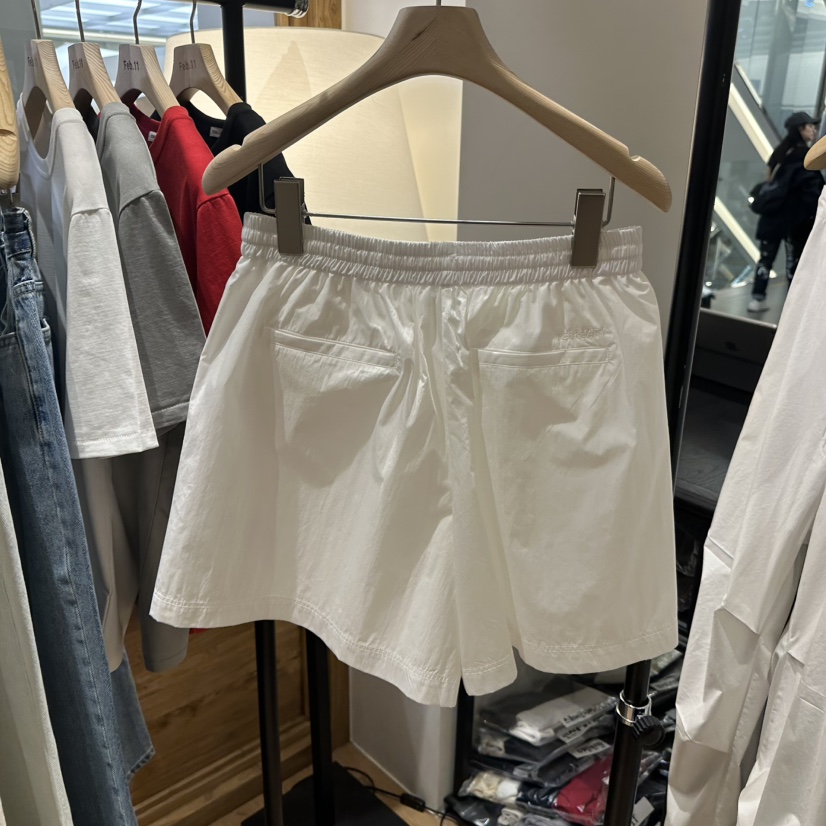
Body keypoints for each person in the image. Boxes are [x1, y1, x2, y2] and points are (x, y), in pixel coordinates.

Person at [749, 111, 824, 313]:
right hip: (793, 221)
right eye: (810, 126)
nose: (814, 130)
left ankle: (757, 298)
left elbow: (768, 180)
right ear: (800, 129)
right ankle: (793, 305)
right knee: (793, 263)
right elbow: (811, 191)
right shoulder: (804, 157)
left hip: (771, 218)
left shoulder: (780, 152)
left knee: (765, 259)